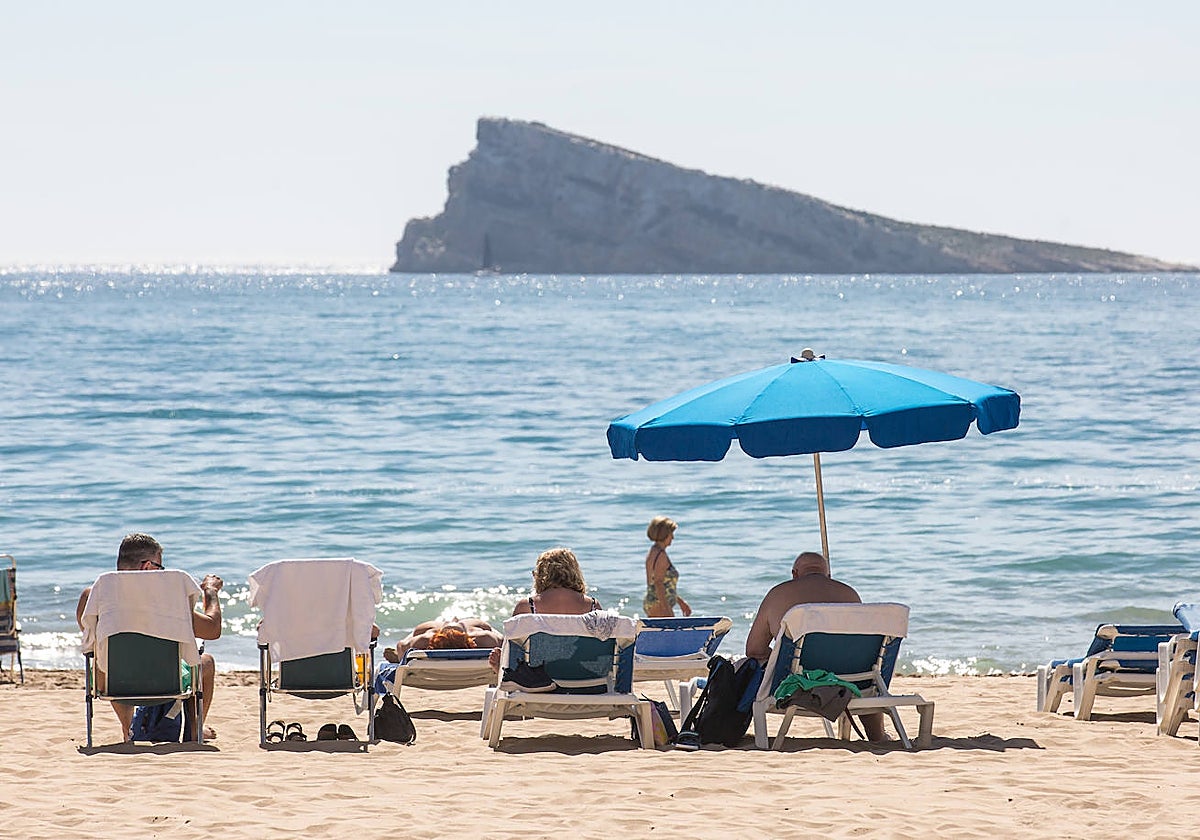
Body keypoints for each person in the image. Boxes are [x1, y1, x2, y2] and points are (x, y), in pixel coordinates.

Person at [75, 533, 223, 742]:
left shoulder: (92, 596)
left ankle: (128, 731)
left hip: (112, 683)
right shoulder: (169, 599)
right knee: (206, 662)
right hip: (166, 681)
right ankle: (195, 729)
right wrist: (210, 591)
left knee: (108, 658)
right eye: (160, 567)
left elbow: (90, 636)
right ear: (147, 566)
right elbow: (213, 629)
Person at [744, 550, 886, 741]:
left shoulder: (778, 594)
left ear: (794, 574)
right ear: (828, 575)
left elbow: (754, 650)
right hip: (851, 683)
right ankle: (877, 737)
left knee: (749, 667)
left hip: (799, 683)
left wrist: (781, 657)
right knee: (868, 675)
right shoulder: (849, 594)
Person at [487, 547, 601, 673]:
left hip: (538, 681)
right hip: (584, 677)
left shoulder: (527, 606)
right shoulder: (593, 606)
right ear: (575, 573)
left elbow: (509, 650)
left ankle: (504, 673)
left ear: (540, 575)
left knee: (505, 656)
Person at [382, 618, 503, 663]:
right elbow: (504, 641)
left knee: (416, 634)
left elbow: (401, 645)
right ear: (470, 640)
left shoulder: (425, 639)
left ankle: (397, 657)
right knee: (487, 627)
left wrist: (401, 655)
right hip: (468, 628)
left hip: (436, 631)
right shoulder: (483, 638)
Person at [642, 515, 691, 618]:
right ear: (664, 534)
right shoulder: (661, 556)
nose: (672, 537)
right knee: (670, 633)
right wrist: (667, 611)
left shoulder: (653, 551)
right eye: (671, 534)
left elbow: (666, 585)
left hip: (654, 601)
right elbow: (658, 584)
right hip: (659, 603)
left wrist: (680, 602)